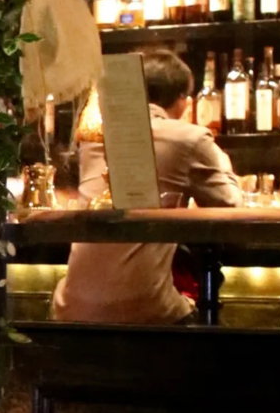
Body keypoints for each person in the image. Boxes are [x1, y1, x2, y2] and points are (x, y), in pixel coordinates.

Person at [52, 49, 241, 324]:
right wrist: (221, 160)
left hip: (70, 309)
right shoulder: (190, 138)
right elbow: (230, 206)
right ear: (182, 101)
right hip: (147, 310)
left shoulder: (94, 139)